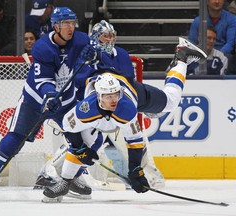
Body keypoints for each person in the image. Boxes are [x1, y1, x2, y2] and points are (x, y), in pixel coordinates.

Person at [42, 37, 207, 200]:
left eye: (116, 94)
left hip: (132, 90)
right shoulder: (86, 108)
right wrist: (78, 148)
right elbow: (68, 127)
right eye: (108, 96)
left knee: (171, 102)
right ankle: (65, 181)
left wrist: (135, 170)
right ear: (99, 96)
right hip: (98, 98)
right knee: (84, 141)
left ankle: (181, 58)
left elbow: (134, 140)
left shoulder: (126, 108)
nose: (114, 99)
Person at [0, 7, 94, 199]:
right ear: (56, 26)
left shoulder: (81, 39)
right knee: (14, 140)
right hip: (34, 101)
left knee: (80, 141)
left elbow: (97, 49)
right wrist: (50, 96)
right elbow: (43, 81)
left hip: (66, 102)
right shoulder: (43, 47)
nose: (71, 27)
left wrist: (94, 54)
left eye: (72, 23)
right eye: (66, 24)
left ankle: (72, 176)